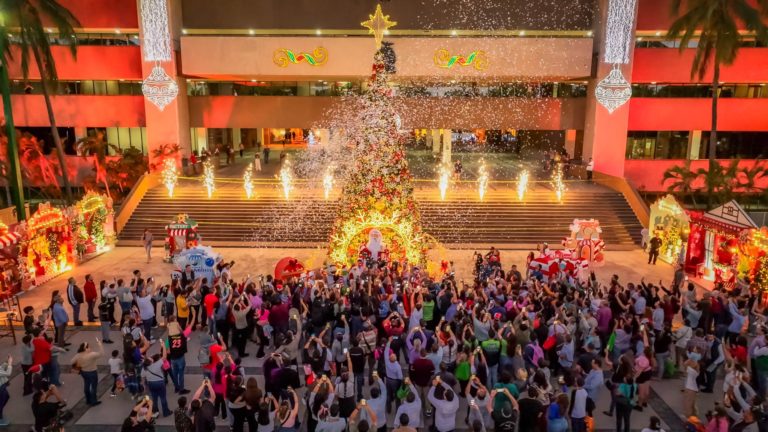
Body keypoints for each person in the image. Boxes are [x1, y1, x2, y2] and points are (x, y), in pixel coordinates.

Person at [71, 339, 104, 406]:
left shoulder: (78, 355)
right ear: (85, 348)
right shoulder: (92, 355)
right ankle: (93, 401)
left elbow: (72, 361)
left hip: (83, 372)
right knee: (93, 387)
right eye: (89, 347)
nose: (90, 348)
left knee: (86, 385)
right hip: (92, 372)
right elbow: (101, 354)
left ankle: (88, 400)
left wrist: (79, 364)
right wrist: (100, 344)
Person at [0, 355, 11, 426]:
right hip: (0, 388)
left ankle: (0, 413)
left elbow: (1, 368)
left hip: (2, 386)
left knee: (7, 397)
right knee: (1, 401)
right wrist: (9, 364)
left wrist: (5, 363)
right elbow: (8, 373)